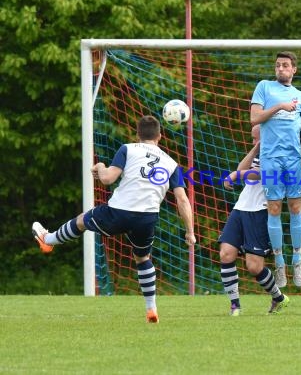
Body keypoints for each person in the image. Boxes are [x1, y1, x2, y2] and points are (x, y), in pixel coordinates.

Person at [32, 115, 196, 323]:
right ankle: (151, 309)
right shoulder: (172, 164)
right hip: (147, 218)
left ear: (137, 134)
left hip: (119, 211)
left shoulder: (129, 149)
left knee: (82, 220)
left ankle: (48, 241)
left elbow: (108, 178)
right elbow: (182, 200)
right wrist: (190, 231)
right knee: (143, 258)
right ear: (160, 137)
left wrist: (99, 166)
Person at [250, 51, 301, 288]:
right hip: (270, 158)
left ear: (294, 70)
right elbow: (255, 118)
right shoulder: (264, 87)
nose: (280, 69)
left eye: (285, 66)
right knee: (273, 208)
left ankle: (297, 259)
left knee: (295, 206)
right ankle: (279, 263)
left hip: (293, 159)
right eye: (278, 65)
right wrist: (279, 106)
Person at [219, 125, 289, 316]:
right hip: (241, 208)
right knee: (226, 253)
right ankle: (235, 306)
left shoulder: (280, 152)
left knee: (254, 266)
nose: (252, 141)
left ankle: (278, 297)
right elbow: (241, 170)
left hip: (261, 211)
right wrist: (255, 148)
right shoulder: (259, 150)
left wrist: (237, 175)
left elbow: (263, 175)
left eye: (254, 138)